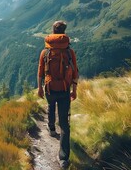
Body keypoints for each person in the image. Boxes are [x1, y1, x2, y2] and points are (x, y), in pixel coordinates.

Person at [37, 20, 79, 169]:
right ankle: (63, 159)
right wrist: (74, 90)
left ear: (53, 32)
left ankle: (51, 129)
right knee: (65, 123)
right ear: (64, 32)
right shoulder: (69, 51)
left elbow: (40, 72)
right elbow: (75, 72)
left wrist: (39, 88)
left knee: (50, 106)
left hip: (49, 87)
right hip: (65, 89)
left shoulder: (45, 52)